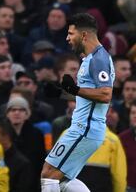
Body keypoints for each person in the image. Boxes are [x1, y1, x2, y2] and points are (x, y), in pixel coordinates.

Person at [41, 13, 115, 192]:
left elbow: (105, 95)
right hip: (83, 129)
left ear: (84, 35)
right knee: (62, 179)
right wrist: (61, 94)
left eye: (70, 33)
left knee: (48, 175)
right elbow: (88, 97)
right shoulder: (89, 59)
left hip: (85, 130)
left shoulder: (99, 59)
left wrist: (74, 89)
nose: (67, 38)